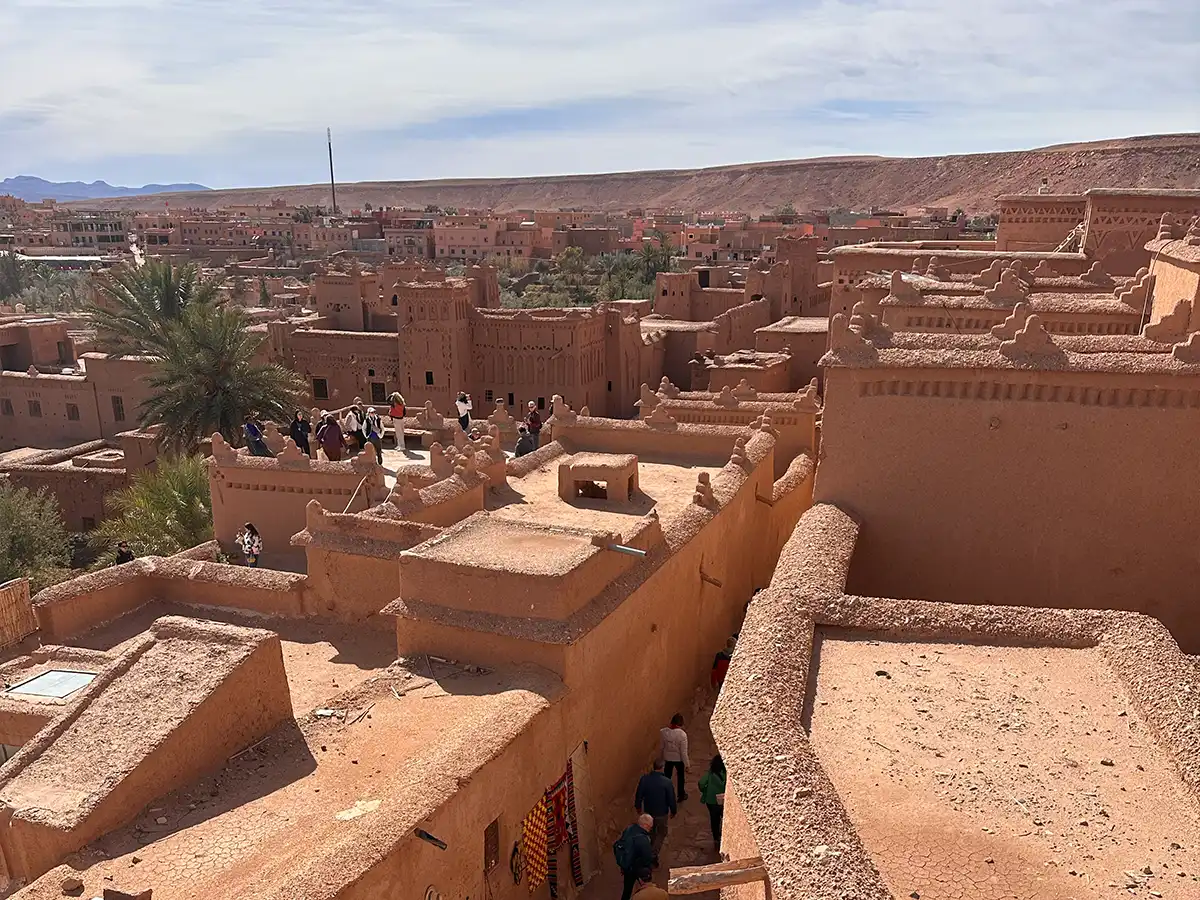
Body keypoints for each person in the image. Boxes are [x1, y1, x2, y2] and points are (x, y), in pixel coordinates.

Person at [634, 760, 677, 857]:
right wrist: (673, 811)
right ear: (662, 768)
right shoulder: (667, 782)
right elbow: (671, 798)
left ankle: (648, 851)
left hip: (649, 812)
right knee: (662, 833)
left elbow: (639, 794)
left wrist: (638, 807)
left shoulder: (644, 779)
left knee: (651, 833)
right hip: (662, 813)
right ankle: (653, 854)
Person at [614, 814, 656, 900]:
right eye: (649, 827)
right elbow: (647, 858)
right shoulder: (643, 840)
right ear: (644, 825)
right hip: (639, 868)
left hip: (628, 867)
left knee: (627, 890)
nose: (650, 829)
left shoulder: (629, 829)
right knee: (647, 888)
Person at [697, 754, 727, 847]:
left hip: (711, 800)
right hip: (724, 799)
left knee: (714, 820)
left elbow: (701, 783)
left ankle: (716, 838)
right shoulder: (726, 773)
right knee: (725, 817)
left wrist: (705, 790)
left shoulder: (710, 774)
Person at [659, 714, 690, 801]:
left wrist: (661, 758)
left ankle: (665, 794)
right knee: (680, 777)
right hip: (678, 759)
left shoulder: (663, 732)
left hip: (668, 758)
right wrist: (687, 764)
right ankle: (681, 795)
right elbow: (683, 752)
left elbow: (661, 747)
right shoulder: (682, 735)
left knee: (667, 777)